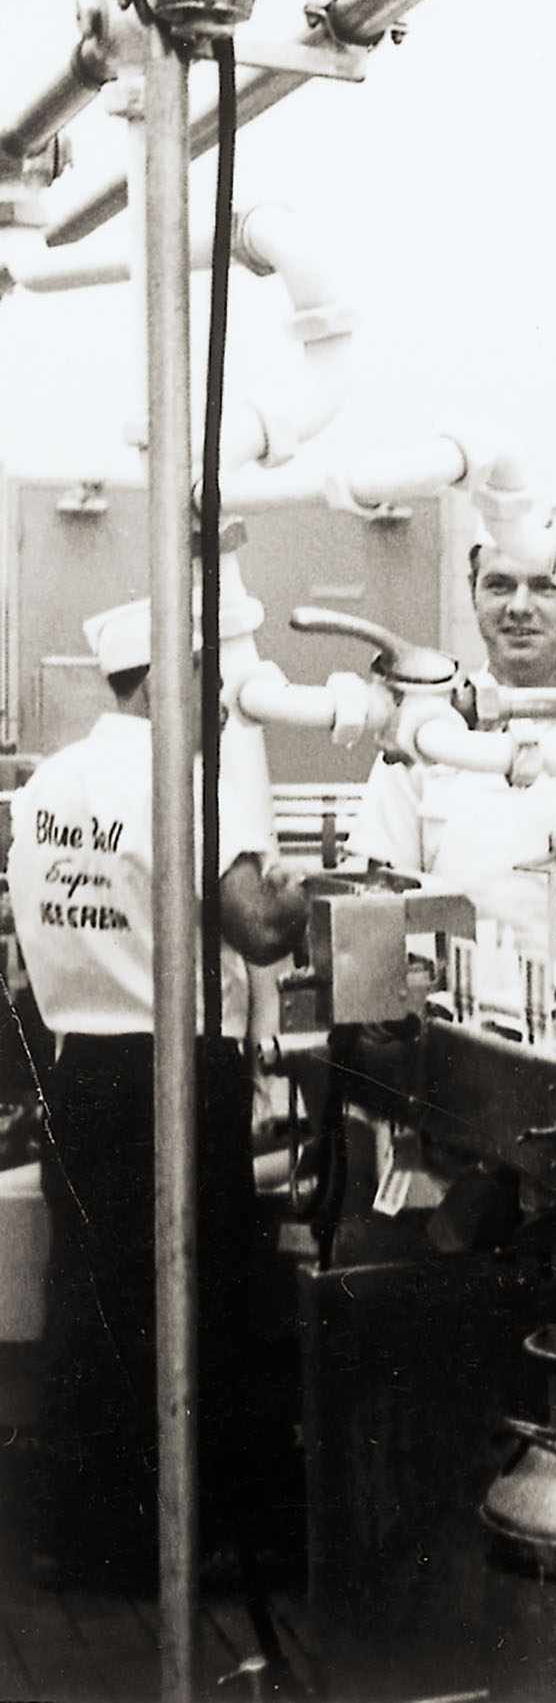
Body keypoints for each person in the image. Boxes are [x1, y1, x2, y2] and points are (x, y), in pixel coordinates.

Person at [6, 597, 310, 1591]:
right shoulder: (173, 782)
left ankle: (87, 1536)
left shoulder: (54, 779)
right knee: (190, 1305)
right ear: (182, 671)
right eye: (221, 673)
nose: (230, 697)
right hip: (170, 1073)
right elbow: (257, 927)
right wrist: (297, 895)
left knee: (93, 1300)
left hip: (76, 1064)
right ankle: (173, 1546)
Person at [349, 530, 556, 945]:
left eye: (545, 586)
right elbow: (378, 894)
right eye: (499, 585)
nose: (519, 607)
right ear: (473, 591)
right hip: (456, 1001)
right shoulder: (424, 730)